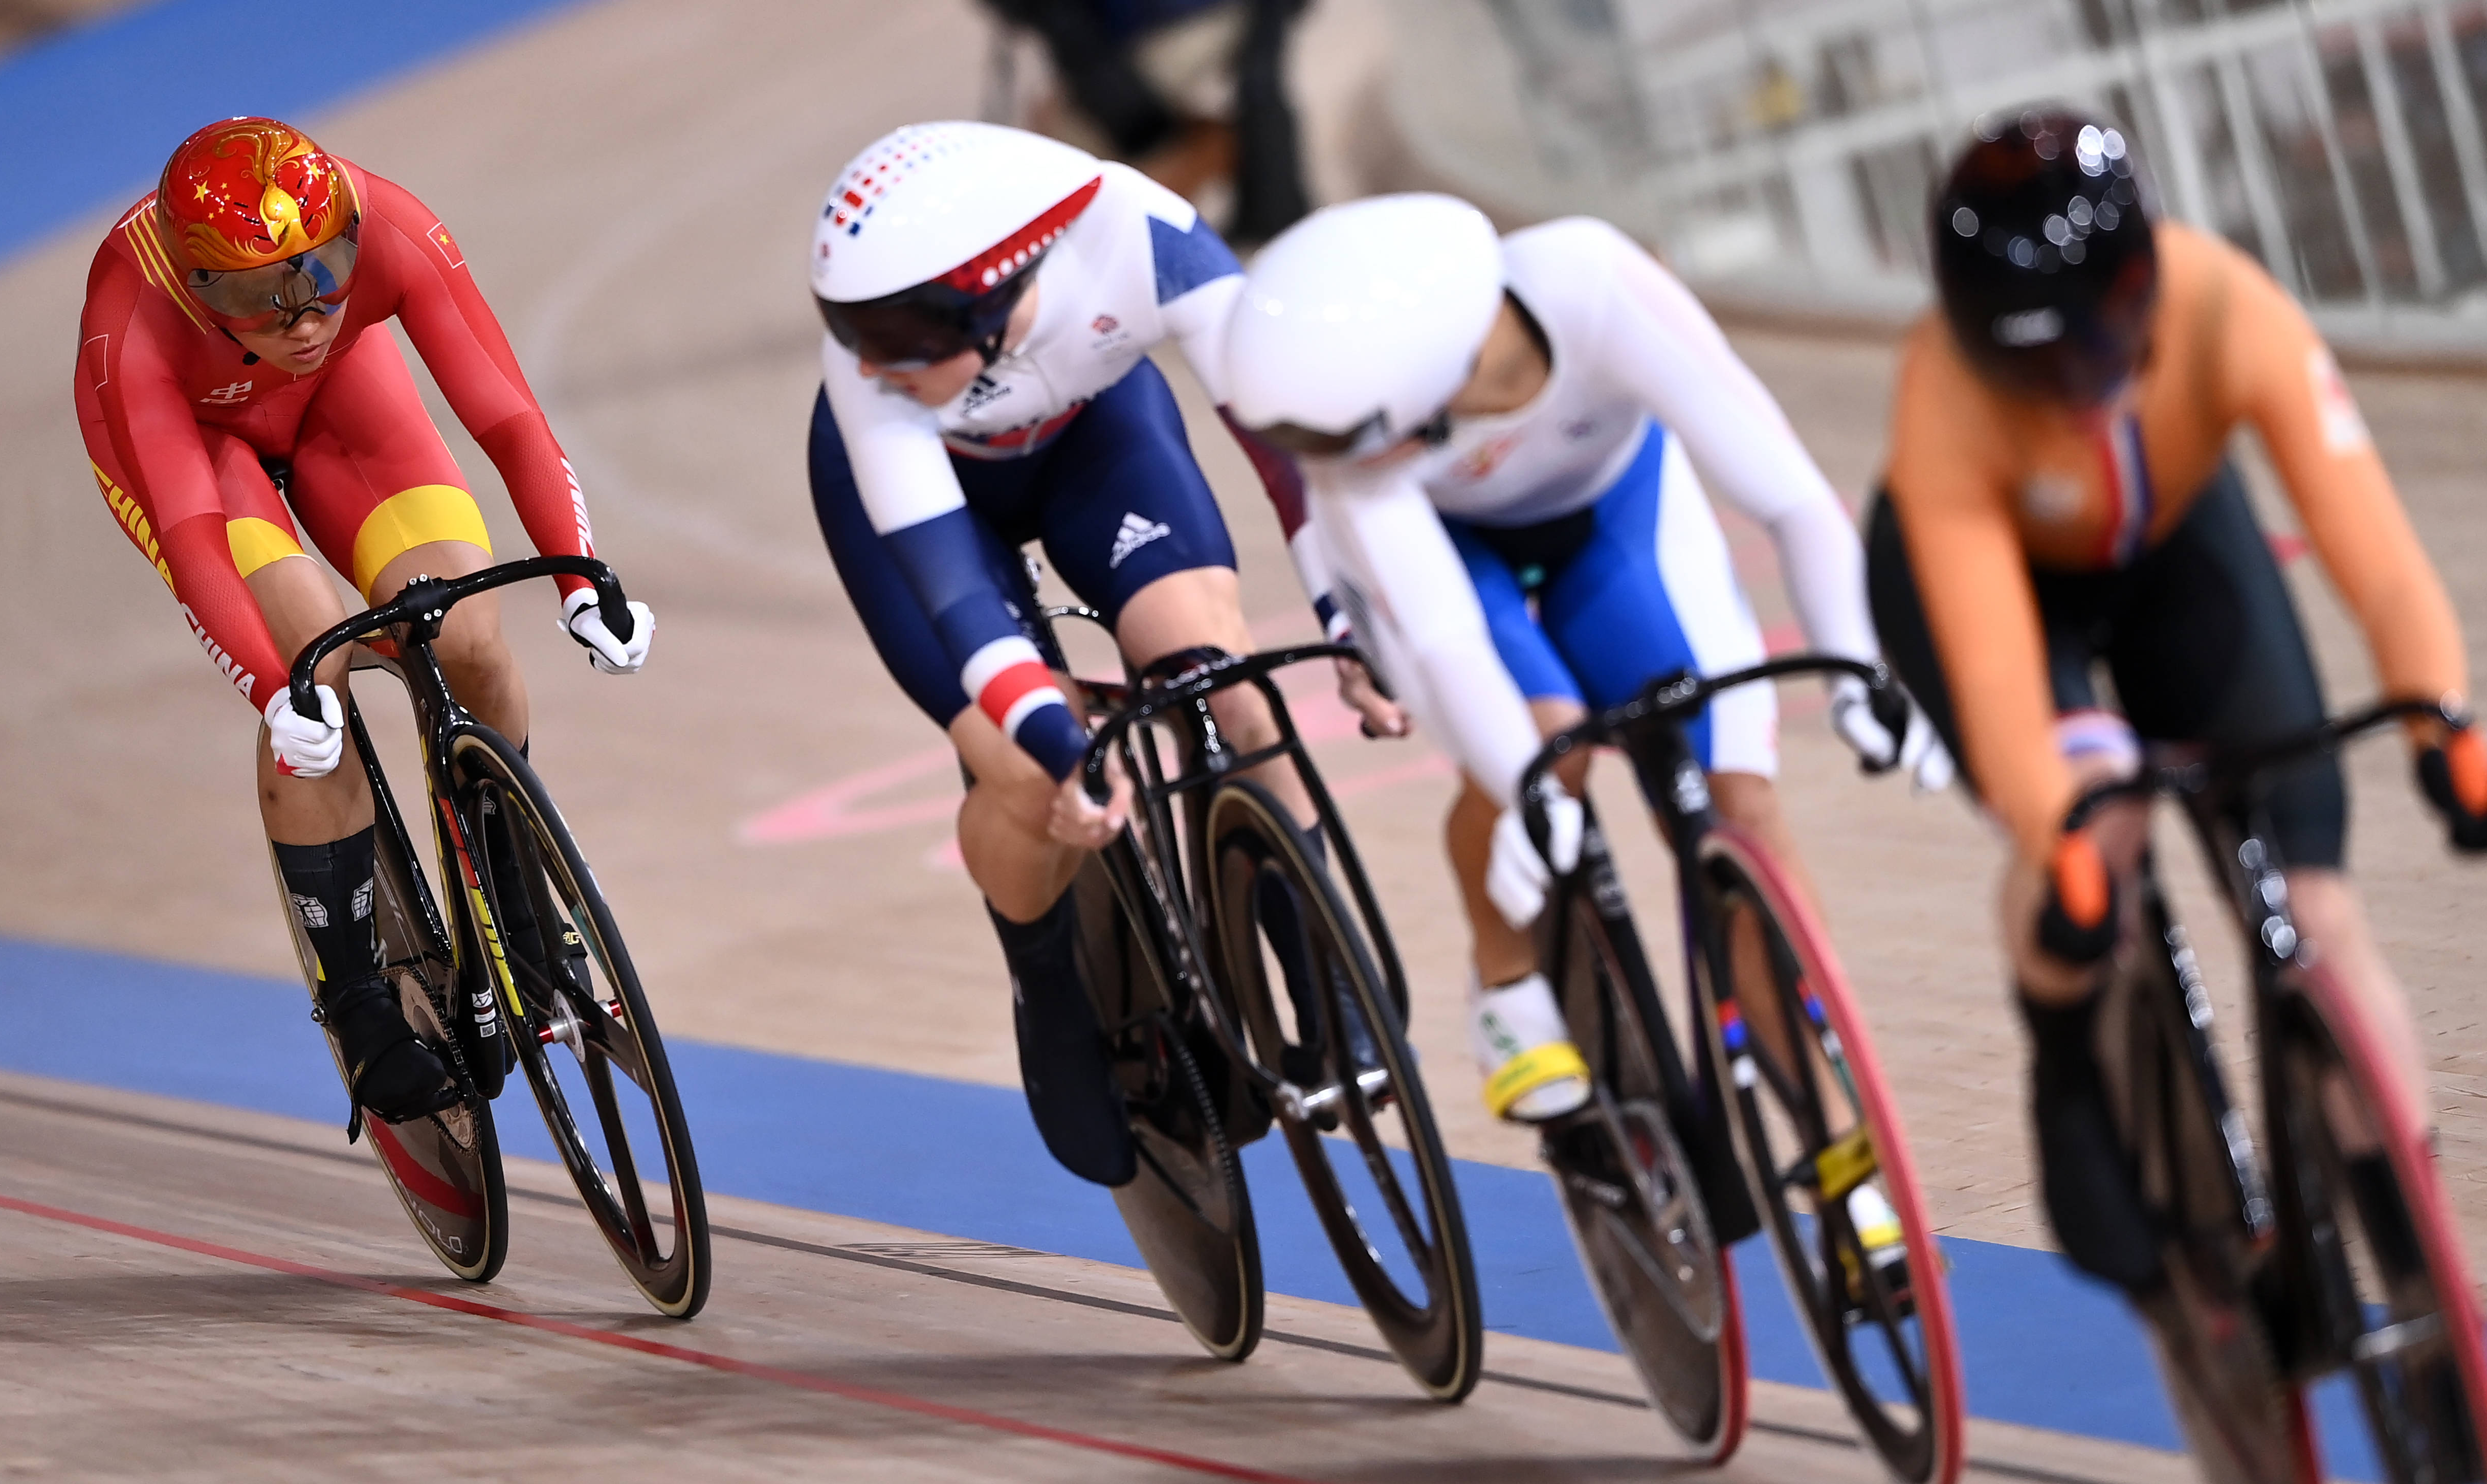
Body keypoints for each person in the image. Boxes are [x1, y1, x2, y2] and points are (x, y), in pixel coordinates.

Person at [1866, 107, 2487, 1295]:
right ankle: (2068, 1066)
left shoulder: (2227, 305)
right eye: (2036, 371)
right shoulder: (1942, 398)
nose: (2077, 394)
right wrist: (2064, 842)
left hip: (2173, 549)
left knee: (2318, 913)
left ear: (2147, 284)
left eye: (2103, 347)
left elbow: (2374, 554)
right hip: (1998, 586)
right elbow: (2008, 688)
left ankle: (2434, 1304)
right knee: (2095, 820)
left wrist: (2440, 719)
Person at [1221, 192, 1938, 1273]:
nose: (1341, 453)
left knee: (1739, 806)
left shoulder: (1596, 288)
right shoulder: (1357, 451)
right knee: (1552, 740)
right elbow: (1454, 646)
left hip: (1618, 519)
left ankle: (1839, 1146)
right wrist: (1528, 782)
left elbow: (1790, 498)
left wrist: (1862, 673)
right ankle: (1506, 976)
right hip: (1455, 571)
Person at [75, 116, 658, 1123]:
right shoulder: (135, 321)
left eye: (326, 274)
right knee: (316, 676)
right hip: (201, 456)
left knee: (467, 631)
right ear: (206, 290)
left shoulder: (389, 224)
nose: (306, 317)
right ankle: (356, 1002)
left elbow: (509, 415)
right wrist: (276, 690)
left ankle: (520, 896)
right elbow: (192, 536)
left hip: (345, 405)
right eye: (268, 298)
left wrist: (581, 578)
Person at [807, 120, 1323, 1188]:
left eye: (895, 332)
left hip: (1097, 442)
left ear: (989, 298)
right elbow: (962, 610)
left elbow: (1290, 453)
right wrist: (1057, 741)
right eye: (846, 327)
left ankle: (1321, 956)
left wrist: (1348, 614)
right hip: (926, 511)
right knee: (1019, 768)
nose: (868, 360)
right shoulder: (872, 385)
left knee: (1226, 671)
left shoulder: (1142, 238)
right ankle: (1046, 975)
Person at [980, 0, 1313, 243]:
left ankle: (1242, 177)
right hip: (1104, 37)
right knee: (1064, 170)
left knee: (1088, 184)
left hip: (1194, 20)